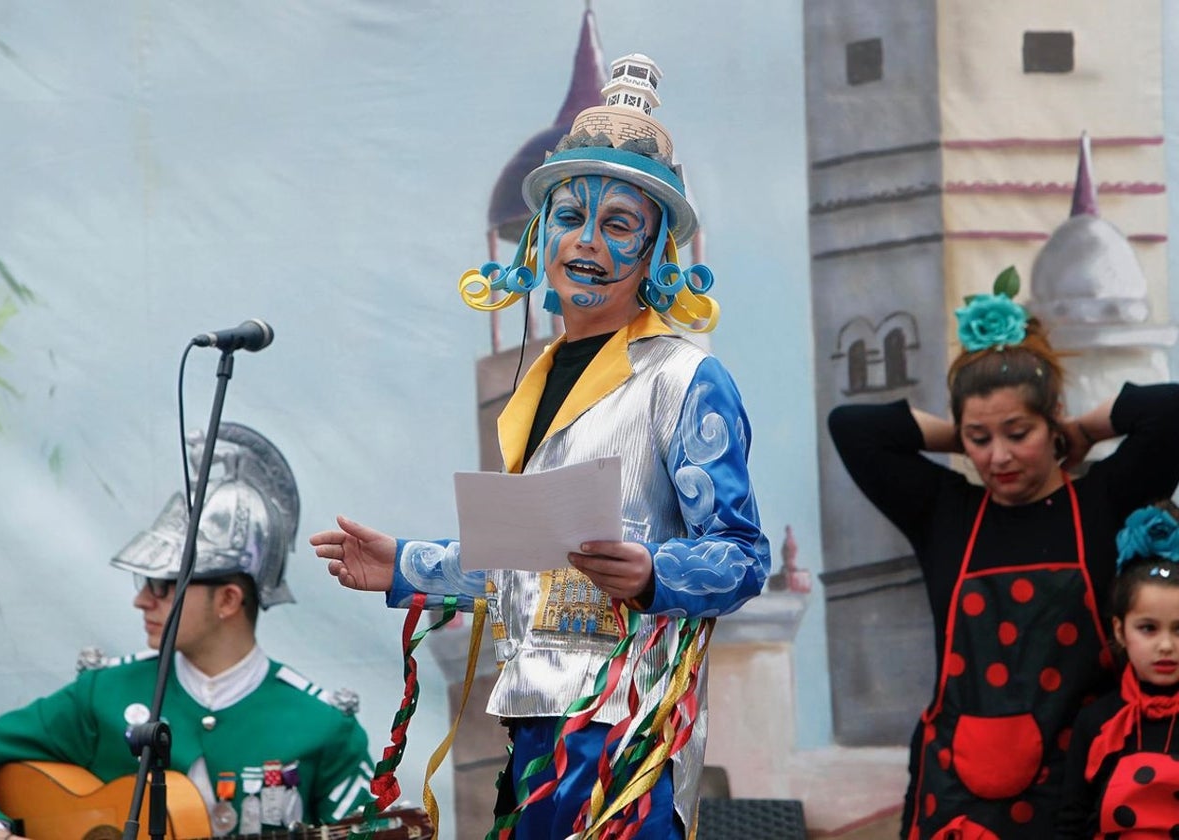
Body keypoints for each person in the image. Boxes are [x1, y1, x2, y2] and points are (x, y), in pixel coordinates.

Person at [310, 53, 770, 840]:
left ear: (655, 253)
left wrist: (656, 571)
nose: (587, 241)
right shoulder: (536, 381)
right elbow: (534, 564)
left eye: (619, 224)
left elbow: (742, 554)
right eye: (569, 217)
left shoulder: (686, 376)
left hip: (628, 734)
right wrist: (408, 565)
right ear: (538, 238)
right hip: (532, 721)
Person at [827, 277, 1179, 839]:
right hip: (953, 800)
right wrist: (967, 430)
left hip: (1072, 789)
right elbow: (852, 428)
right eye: (980, 440)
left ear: (1051, 419)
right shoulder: (944, 512)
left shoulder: (1101, 502)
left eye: (1019, 433)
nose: (999, 457)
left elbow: (1172, 412)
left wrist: (1084, 430)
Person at [0, 423, 376, 839]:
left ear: (227, 601)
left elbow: (370, 828)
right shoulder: (103, 694)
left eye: (164, 587)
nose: (142, 601)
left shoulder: (323, 726)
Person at [1057, 500, 1179, 838]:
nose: (1166, 645)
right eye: (1148, 628)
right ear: (1119, 630)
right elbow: (1071, 823)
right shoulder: (1097, 721)